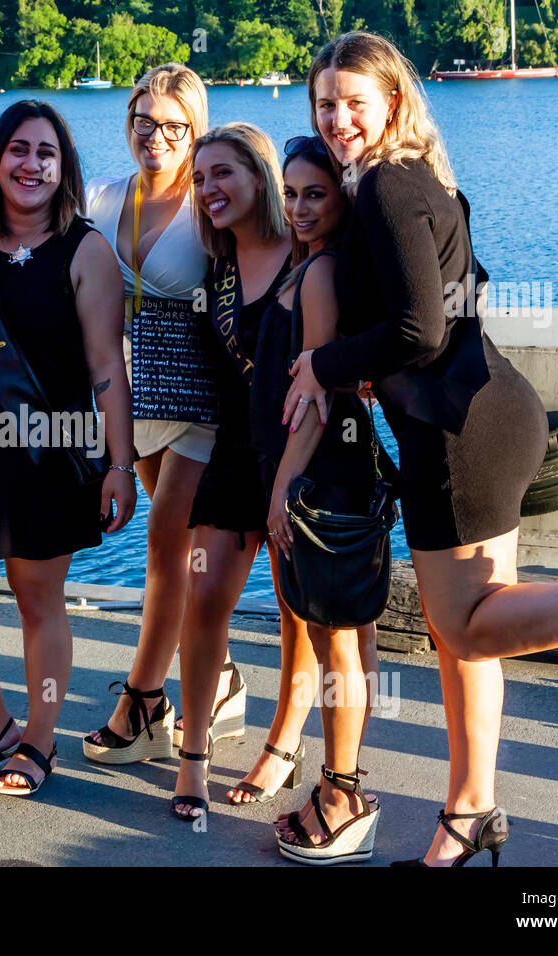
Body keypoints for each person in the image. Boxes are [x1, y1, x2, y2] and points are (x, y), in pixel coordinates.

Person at [285, 31, 558, 866]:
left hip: (458, 433)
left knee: (468, 628)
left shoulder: (385, 189)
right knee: (467, 630)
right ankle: (467, 816)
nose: (337, 120)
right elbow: (455, 300)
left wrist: (324, 362)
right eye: (325, 104)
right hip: (488, 409)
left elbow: (418, 327)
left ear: (392, 101)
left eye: (354, 102)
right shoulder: (423, 178)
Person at [0, 100, 136, 797]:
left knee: (37, 598)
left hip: (49, 447)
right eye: (18, 149)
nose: (31, 164)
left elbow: (107, 366)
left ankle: (39, 743)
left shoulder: (86, 249)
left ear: (63, 167)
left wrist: (121, 467)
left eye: (46, 152)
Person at [82, 63, 246, 768]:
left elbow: (276, 255)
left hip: (202, 390)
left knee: (164, 542)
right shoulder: (100, 196)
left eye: (174, 126)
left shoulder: (210, 207)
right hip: (132, 390)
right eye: (144, 122)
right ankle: (227, 678)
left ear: (196, 130)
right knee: (172, 547)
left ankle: (145, 702)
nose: (157, 136)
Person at [251, 133, 384, 863]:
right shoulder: (304, 265)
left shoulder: (325, 273)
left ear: (342, 200)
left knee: (336, 639)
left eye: (316, 194)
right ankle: (343, 780)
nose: (300, 208)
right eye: (292, 193)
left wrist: (281, 492)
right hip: (311, 473)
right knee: (342, 637)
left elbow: (318, 400)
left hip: (320, 477)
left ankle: (342, 791)